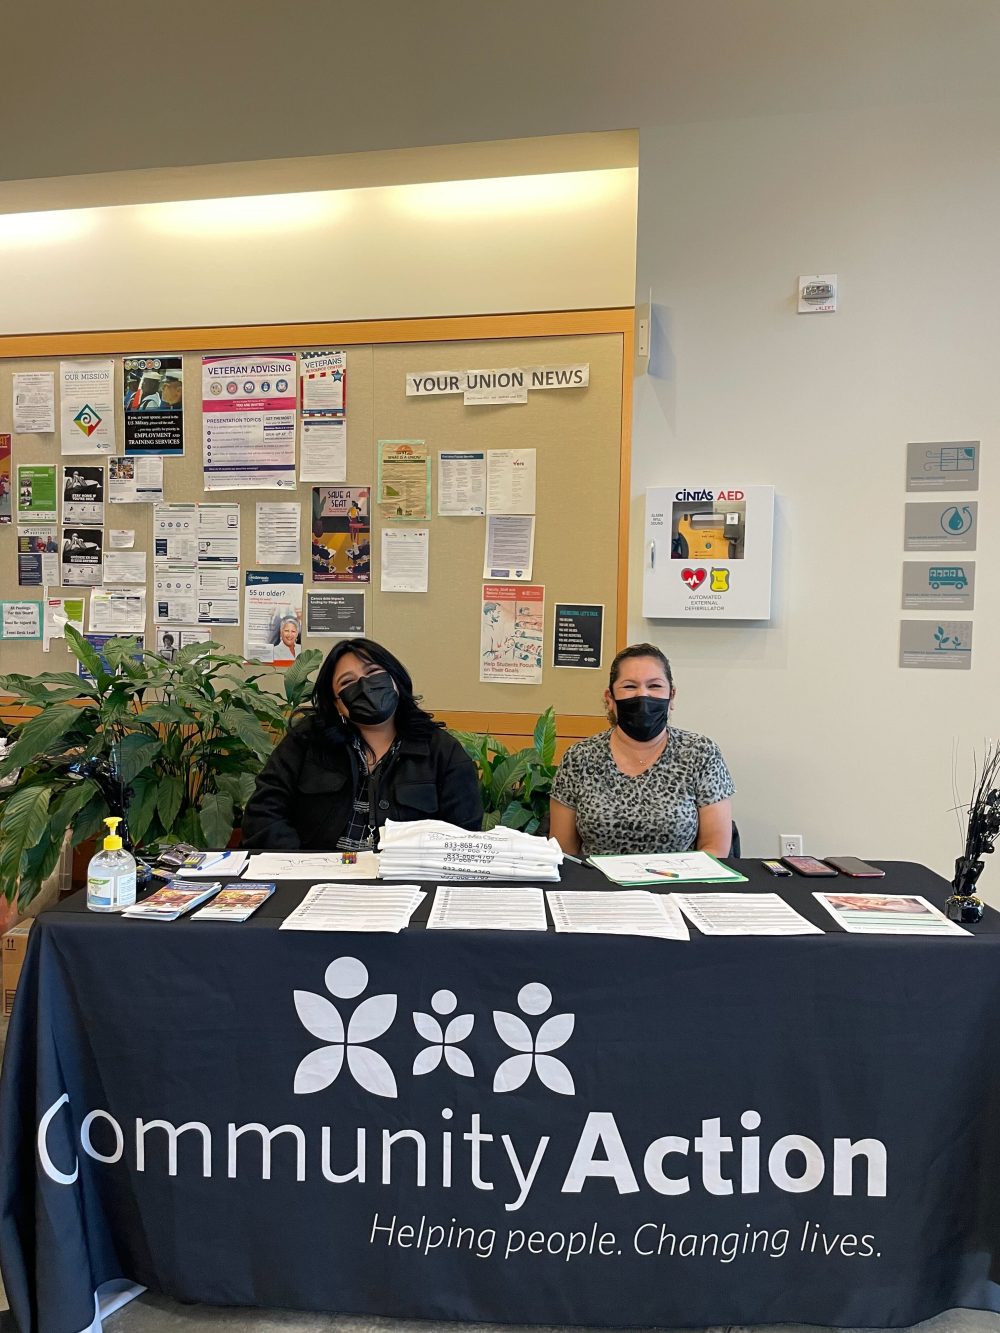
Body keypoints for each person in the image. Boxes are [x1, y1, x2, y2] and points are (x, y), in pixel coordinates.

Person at [242, 638, 483, 850]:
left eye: (373, 673)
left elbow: (463, 836)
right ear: (337, 705)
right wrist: (301, 869)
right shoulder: (306, 741)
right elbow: (264, 814)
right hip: (316, 881)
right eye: (348, 683)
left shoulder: (442, 750)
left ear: (395, 681)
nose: (365, 687)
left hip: (406, 886)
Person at [549, 642, 735, 859]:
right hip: (599, 887)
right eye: (629, 687)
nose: (643, 696)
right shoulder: (579, 758)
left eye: (654, 686)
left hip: (678, 885)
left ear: (671, 696)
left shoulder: (701, 754)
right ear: (610, 699)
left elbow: (715, 849)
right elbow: (564, 852)